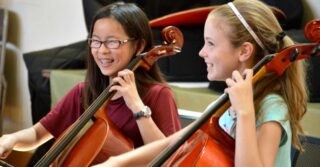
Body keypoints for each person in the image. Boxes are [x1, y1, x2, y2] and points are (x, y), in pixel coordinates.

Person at [96, 0, 308, 166]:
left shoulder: (271, 106)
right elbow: (173, 143)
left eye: (211, 43)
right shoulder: (225, 105)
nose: (201, 52)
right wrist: (115, 162)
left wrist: (245, 113)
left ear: (244, 51)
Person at [0, 1, 181, 163]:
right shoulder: (83, 92)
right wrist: (11, 139)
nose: (101, 50)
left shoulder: (158, 94)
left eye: (112, 42)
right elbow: (37, 134)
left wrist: (136, 106)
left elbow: (169, 159)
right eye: (95, 41)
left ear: (139, 46)